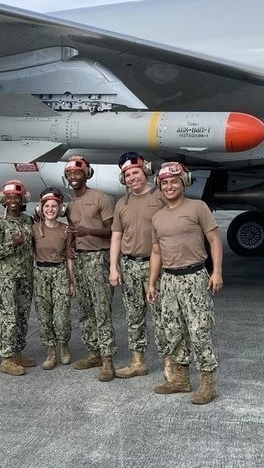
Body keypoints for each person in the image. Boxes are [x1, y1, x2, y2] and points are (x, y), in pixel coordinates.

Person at [147, 162, 224, 404]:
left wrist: (217, 272)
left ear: (183, 183)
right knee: (173, 331)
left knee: (199, 330)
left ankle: (207, 384)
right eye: (165, 183)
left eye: (174, 182)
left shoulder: (197, 207)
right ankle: (180, 379)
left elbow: (214, 240)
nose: (169, 186)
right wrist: (152, 283)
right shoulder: (157, 217)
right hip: (169, 280)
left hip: (194, 278)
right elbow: (156, 253)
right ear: (159, 187)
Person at [110, 152, 191, 380]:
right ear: (123, 179)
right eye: (127, 175)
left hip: (156, 267)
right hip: (129, 266)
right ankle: (138, 362)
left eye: (135, 172)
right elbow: (116, 236)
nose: (132, 178)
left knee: (162, 317)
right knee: (133, 316)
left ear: (145, 172)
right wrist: (113, 268)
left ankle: (169, 364)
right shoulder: (121, 204)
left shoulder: (160, 197)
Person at [64, 155, 118, 382]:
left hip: (100, 260)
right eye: (69, 174)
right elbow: (73, 233)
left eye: (78, 173)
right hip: (82, 262)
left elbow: (113, 232)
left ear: (87, 174)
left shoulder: (101, 198)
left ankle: (107, 361)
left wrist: (89, 232)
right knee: (85, 311)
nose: (74, 177)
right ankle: (94, 352)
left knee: (102, 310)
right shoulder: (71, 205)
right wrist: (70, 247)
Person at [0, 180, 36, 376]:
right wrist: (12, 245)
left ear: (23, 199)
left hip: (25, 276)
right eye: (9, 198)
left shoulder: (27, 221)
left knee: (23, 316)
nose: (13, 200)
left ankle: (17, 352)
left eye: (17, 197)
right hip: (6, 278)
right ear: (3, 200)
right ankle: (6, 358)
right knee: (8, 318)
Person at [32, 187, 76, 370]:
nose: (50, 209)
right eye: (46, 206)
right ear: (41, 208)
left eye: (54, 206)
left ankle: (63, 346)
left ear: (60, 209)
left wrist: (72, 282)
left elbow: (69, 257)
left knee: (61, 317)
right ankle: (50, 351)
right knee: (44, 317)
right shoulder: (33, 229)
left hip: (59, 274)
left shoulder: (66, 230)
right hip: (40, 273)